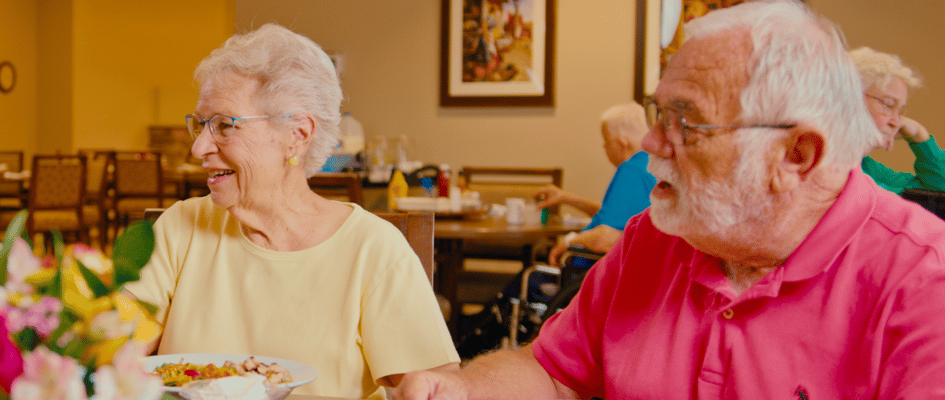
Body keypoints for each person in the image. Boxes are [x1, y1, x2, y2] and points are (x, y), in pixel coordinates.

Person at [396, 1, 945, 398]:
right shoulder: (655, 237)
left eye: (685, 121)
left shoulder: (923, 281)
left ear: (796, 153)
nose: (651, 144)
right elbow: (552, 373)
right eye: (660, 114)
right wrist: (459, 391)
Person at [123, 24, 459, 399]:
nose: (199, 147)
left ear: (297, 134)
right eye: (200, 125)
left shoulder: (373, 251)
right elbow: (113, 348)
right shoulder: (179, 228)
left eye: (223, 125)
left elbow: (432, 388)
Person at [535, 102, 657, 266]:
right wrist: (566, 197)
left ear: (621, 144)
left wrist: (569, 241)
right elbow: (618, 218)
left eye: (606, 142)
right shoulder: (651, 164)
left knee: (524, 281)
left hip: (588, 273)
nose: (605, 148)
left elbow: (606, 237)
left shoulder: (632, 170)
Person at [849, 47, 945, 193]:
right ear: (848, 95)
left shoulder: (866, 166)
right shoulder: (822, 162)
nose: (896, 122)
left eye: (900, 112)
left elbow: (936, 191)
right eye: (888, 105)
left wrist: (919, 136)